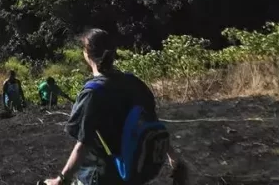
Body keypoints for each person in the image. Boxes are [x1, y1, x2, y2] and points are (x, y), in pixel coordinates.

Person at [43, 29, 188, 185]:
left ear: (87, 54)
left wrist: (61, 179)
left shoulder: (92, 92)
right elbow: (151, 124)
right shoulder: (135, 83)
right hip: (133, 172)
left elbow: (83, 144)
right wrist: (174, 158)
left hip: (100, 175)